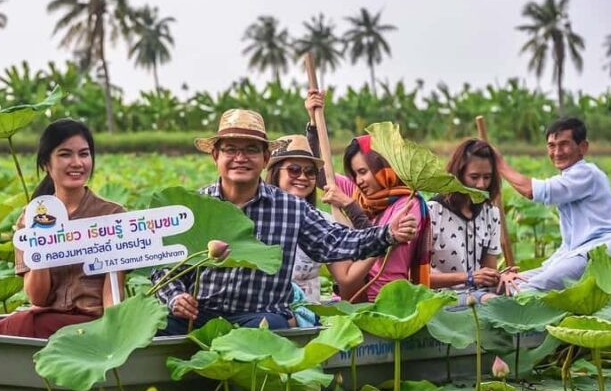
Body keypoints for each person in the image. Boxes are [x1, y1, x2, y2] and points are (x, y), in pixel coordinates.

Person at [152, 109, 419, 335]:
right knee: (158, 325)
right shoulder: (195, 208)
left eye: (251, 150)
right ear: (216, 157)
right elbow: (164, 264)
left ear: (265, 158)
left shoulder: (290, 207)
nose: (240, 158)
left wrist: (387, 234)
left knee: (269, 327)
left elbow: (335, 241)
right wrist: (176, 296)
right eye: (231, 149)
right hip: (199, 314)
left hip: (258, 316)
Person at [0, 119, 125, 339]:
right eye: (65, 154)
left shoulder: (112, 215)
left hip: (93, 322)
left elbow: (114, 292)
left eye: (84, 154)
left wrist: (113, 335)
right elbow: (37, 298)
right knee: (19, 325)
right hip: (48, 319)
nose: (77, 163)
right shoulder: (30, 219)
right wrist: (41, 240)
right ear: (46, 164)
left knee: (21, 325)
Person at [304, 91, 432, 303]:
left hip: (388, 298)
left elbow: (381, 240)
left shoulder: (410, 203)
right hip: (353, 294)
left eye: (363, 172)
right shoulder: (358, 191)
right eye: (354, 174)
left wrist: (350, 206)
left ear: (382, 168)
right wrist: (313, 122)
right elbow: (318, 174)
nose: (359, 180)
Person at [495, 117, 611, 291]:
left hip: (600, 251)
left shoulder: (587, 173)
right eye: (552, 146)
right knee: (511, 283)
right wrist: (547, 267)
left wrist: (499, 164)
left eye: (564, 144)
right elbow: (569, 244)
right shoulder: (568, 177)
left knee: (526, 291)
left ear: (583, 147)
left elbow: (532, 190)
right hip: (575, 252)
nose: (557, 152)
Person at [265, 134, 372, 304]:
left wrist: (385, 240)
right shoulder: (257, 216)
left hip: (307, 317)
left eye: (310, 172)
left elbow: (347, 278)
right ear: (276, 173)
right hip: (265, 314)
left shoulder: (324, 222)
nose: (302, 176)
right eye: (294, 169)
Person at [428, 139, 520, 304]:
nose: (481, 185)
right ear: (459, 175)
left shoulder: (491, 213)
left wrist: (500, 276)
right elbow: (417, 278)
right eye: (474, 177)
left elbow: (488, 271)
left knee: (524, 289)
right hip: (442, 297)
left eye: (487, 177)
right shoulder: (433, 212)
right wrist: (468, 278)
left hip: (479, 292)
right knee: (494, 303)